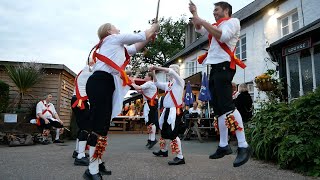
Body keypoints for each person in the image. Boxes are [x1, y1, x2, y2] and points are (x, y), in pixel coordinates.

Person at [83, 22, 159, 180]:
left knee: (102, 125)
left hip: (104, 82)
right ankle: (91, 170)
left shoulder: (116, 47)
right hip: (101, 81)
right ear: (109, 31)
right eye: (116, 27)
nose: (119, 29)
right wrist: (153, 28)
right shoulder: (113, 39)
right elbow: (140, 36)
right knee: (99, 125)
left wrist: (149, 36)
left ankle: (96, 163)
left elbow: (136, 46)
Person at [189, 1, 250, 167]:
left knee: (228, 106)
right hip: (214, 68)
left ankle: (243, 145)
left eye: (216, 10)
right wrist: (195, 14)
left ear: (226, 10)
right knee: (219, 109)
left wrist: (202, 20)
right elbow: (199, 27)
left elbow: (222, 36)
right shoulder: (215, 25)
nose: (214, 13)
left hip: (225, 66)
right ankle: (224, 145)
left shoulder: (233, 22)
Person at [151, 64, 186, 165]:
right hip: (166, 110)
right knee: (164, 131)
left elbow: (171, 72)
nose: (167, 73)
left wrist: (157, 68)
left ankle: (180, 157)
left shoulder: (180, 81)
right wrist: (153, 72)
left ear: (175, 71)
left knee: (173, 133)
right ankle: (163, 151)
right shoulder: (168, 84)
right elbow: (156, 83)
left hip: (175, 111)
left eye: (169, 71)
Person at [131, 72, 158, 149]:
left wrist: (131, 83)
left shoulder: (149, 83)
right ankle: (150, 139)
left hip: (151, 102)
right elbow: (139, 90)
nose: (144, 76)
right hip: (149, 103)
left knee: (151, 121)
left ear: (150, 77)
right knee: (149, 121)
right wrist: (133, 83)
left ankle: (152, 139)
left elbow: (139, 88)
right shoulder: (148, 84)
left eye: (146, 75)